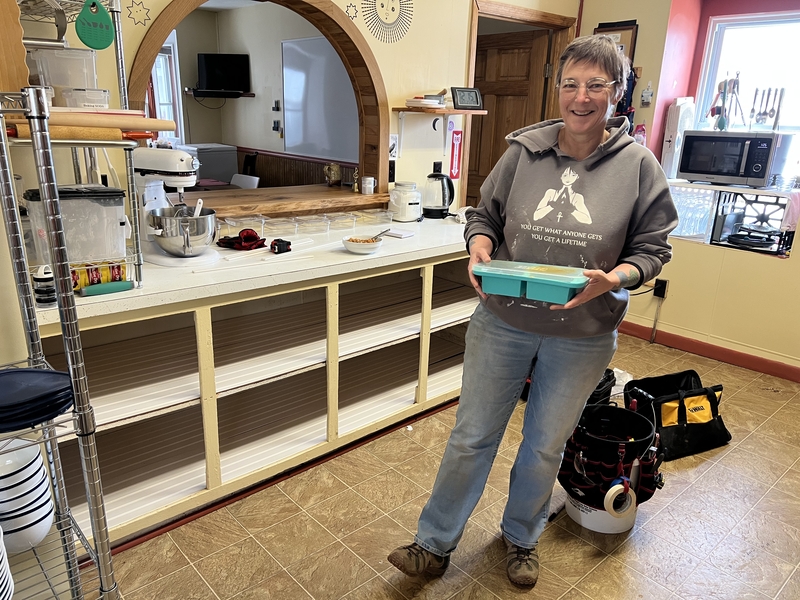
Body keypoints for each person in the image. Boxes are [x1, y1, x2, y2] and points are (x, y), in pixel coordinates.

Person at [387, 35, 678, 587]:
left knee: (545, 444)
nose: (581, 96)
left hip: (583, 332)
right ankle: (434, 543)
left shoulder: (639, 166)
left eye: (596, 85)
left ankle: (520, 538)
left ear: (618, 93)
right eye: (571, 84)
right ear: (558, 88)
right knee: (472, 436)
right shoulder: (524, 151)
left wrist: (613, 279)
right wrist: (478, 247)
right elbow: (485, 216)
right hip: (504, 319)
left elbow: (652, 251)